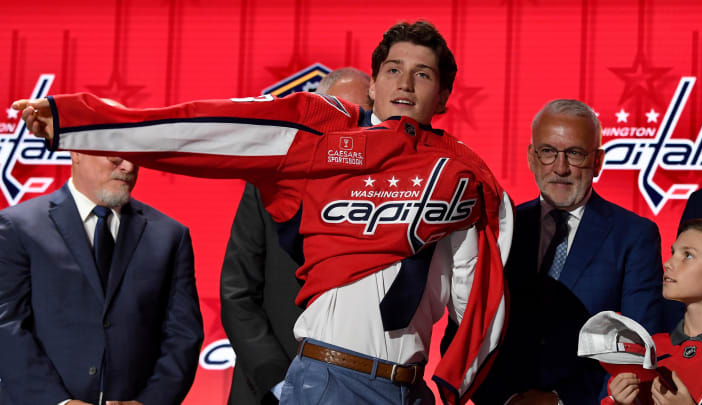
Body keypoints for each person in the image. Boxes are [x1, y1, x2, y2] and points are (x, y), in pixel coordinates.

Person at [13, 21, 513, 405]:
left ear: (443, 95)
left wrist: (456, 386)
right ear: (375, 85)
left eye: (422, 74)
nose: (405, 83)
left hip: (409, 387)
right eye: (393, 70)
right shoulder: (322, 135)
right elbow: (205, 130)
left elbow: (478, 295)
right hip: (328, 380)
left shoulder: (464, 176)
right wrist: (77, 123)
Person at [0, 99, 203, 405]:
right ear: (77, 151)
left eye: (134, 155)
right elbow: (7, 326)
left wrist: (149, 402)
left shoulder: (170, 236)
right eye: (115, 153)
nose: (129, 166)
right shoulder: (19, 226)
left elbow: (183, 335)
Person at [464, 99, 666, 404]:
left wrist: (561, 400)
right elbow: (467, 330)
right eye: (548, 152)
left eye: (574, 153)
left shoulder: (635, 236)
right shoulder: (500, 230)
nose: (560, 168)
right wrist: (505, 398)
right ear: (532, 157)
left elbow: (640, 346)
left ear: (597, 161)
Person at [220, 67, 372, 405]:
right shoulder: (270, 186)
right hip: (271, 390)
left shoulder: (389, 198)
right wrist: (278, 382)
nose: (351, 129)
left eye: (362, 118)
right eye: (339, 115)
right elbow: (238, 294)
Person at [604, 218, 702, 405]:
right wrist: (618, 402)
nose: (668, 263)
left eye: (688, 255)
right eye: (673, 253)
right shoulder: (647, 351)